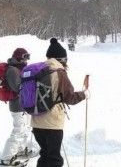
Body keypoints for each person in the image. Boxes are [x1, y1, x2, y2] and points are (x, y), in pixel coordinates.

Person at [31, 38, 87, 167]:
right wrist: (84, 94)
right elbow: (70, 97)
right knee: (54, 159)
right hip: (52, 122)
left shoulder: (38, 71)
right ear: (62, 59)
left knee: (44, 155)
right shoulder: (59, 72)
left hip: (36, 121)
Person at [1, 48, 38, 164]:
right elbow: (17, 87)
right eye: (25, 56)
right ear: (18, 57)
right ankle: (6, 158)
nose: (26, 59)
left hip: (23, 104)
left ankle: (20, 150)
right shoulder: (12, 70)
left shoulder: (18, 69)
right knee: (18, 130)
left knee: (25, 128)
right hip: (17, 105)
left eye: (28, 56)